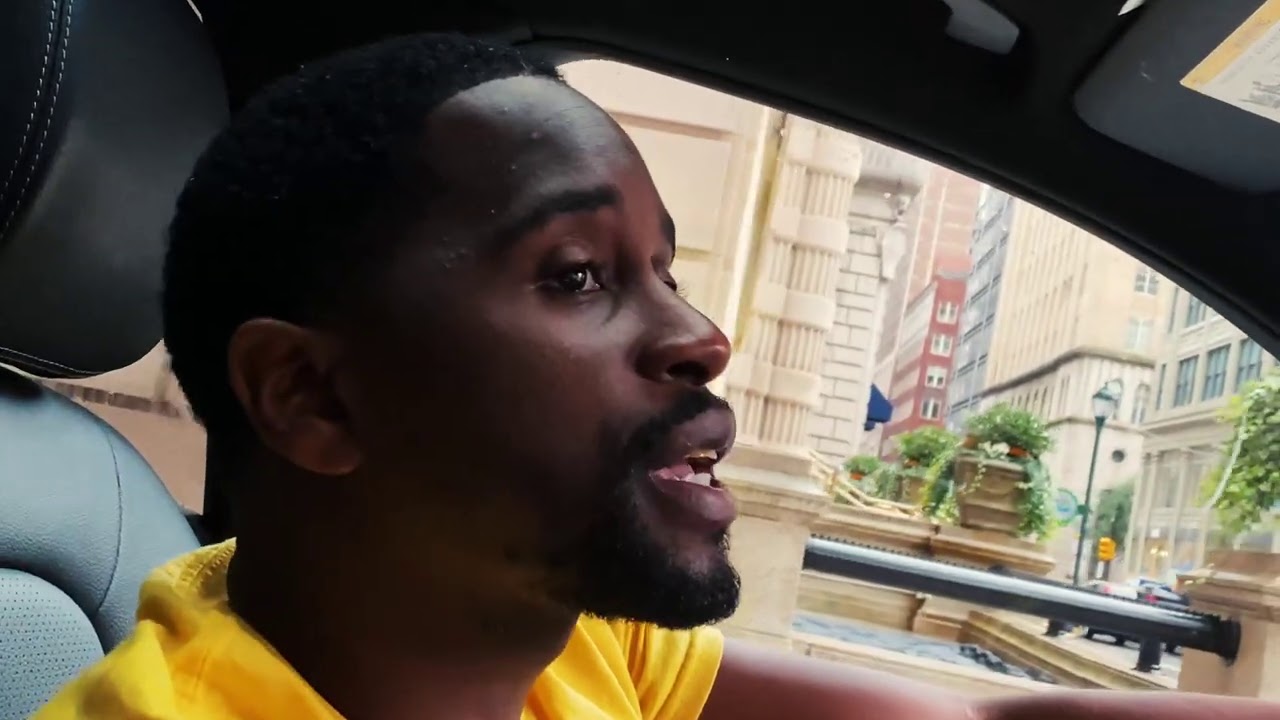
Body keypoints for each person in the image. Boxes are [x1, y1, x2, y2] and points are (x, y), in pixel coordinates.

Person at [35, 33, 1274, 720]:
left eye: (664, 269)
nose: (702, 337)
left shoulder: (579, 658)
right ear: (311, 398)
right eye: (577, 273)